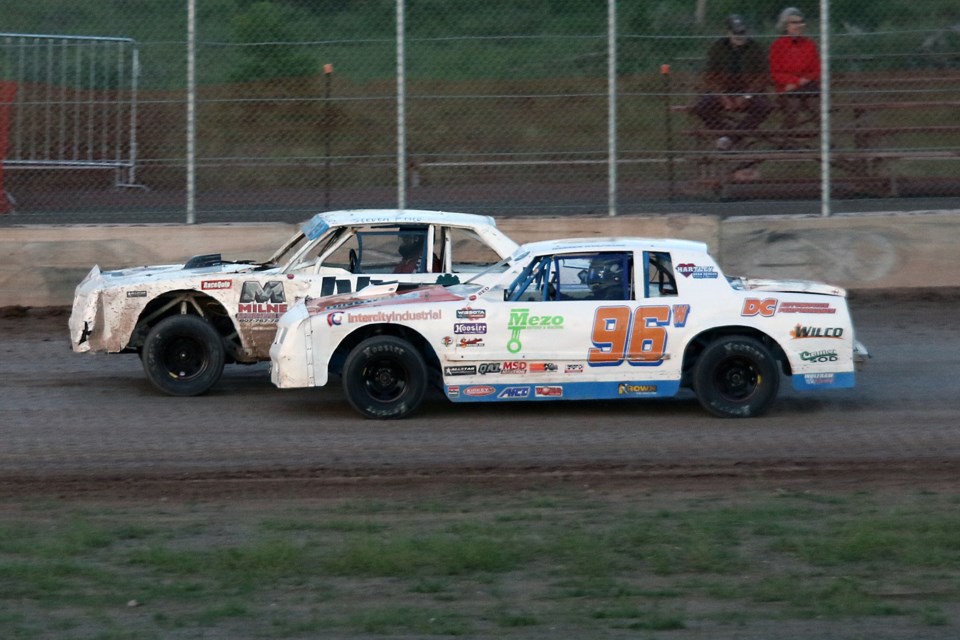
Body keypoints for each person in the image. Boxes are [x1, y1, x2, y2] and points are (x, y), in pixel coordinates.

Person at [691, 14, 773, 151]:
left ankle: (729, 139)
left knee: (764, 107)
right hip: (723, 91)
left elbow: (763, 76)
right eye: (736, 33)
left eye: (743, 32)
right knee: (701, 107)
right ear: (728, 32)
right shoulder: (718, 47)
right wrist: (722, 97)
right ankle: (729, 136)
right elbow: (710, 77)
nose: (740, 36)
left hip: (748, 91)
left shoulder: (756, 48)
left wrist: (747, 96)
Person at [770, 7, 821, 130]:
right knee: (793, 105)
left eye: (800, 22)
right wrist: (794, 81)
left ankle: (825, 142)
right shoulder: (777, 45)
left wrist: (801, 81)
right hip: (787, 88)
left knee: (816, 107)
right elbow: (775, 72)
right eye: (794, 23)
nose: (798, 26)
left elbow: (817, 70)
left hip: (807, 86)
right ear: (785, 25)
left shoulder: (810, 44)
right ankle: (785, 141)